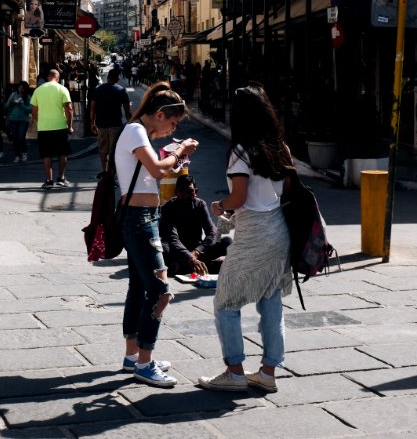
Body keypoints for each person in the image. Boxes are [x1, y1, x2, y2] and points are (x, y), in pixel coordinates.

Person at [197, 84, 293, 394]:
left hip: (254, 234)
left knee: (225, 301)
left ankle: (235, 371)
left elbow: (238, 197)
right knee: (271, 302)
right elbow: (285, 191)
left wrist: (220, 205)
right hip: (279, 231)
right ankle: (268, 372)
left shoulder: (241, 151)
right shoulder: (280, 147)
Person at [114, 82, 199, 387]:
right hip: (140, 219)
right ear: (160, 114)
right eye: (173, 123)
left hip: (143, 216)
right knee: (161, 292)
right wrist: (179, 150)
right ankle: (145, 364)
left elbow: (152, 169)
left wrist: (174, 153)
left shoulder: (138, 133)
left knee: (139, 288)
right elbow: (157, 171)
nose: (171, 129)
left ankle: (132, 356)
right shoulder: (136, 131)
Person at [160, 174, 232, 276]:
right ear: (176, 192)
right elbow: (172, 238)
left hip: (197, 250)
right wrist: (189, 257)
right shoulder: (168, 208)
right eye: (182, 191)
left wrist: (197, 251)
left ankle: (184, 268)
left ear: (196, 192)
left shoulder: (200, 205)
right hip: (177, 251)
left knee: (227, 241)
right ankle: (207, 266)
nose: (185, 195)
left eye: (189, 191)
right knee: (162, 249)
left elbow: (212, 232)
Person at [30, 69, 74, 189]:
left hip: (44, 128)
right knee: (63, 153)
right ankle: (61, 178)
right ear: (57, 77)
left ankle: (49, 180)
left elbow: (33, 109)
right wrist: (69, 126)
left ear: (48, 77)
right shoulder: (62, 89)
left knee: (46, 154)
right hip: (60, 126)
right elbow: (69, 109)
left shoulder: (38, 90)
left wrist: (40, 119)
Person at [90, 68, 132, 178]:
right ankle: (111, 174)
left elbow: (92, 109)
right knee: (114, 151)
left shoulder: (98, 90)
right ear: (118, 78)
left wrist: (92, 123)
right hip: (116, 125)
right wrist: (130, 122)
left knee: (103, 150)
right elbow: (127, 110)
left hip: (101, 125)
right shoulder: (121, 90)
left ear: (108, 77)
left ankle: (105, 171)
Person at [5, 81, 32, 162]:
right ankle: (17, 155)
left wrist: (22, 105)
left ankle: (24, 153)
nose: (20, 90)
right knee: (15, 138)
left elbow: (30, 109)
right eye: (19, 87)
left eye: (22, 88)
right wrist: (12, 103)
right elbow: (6, 106)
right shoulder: (13, 95)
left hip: (23, 120)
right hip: (13, 119)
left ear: (25, 89)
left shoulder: (27, 97)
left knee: (21, 137)